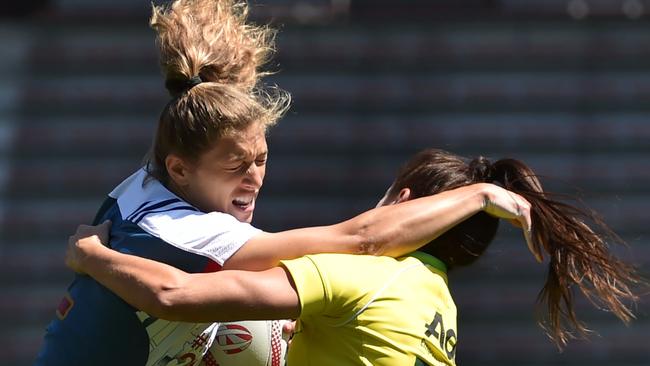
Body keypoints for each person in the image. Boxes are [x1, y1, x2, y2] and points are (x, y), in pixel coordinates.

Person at [34, 1, 536, 365]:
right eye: (236, 165)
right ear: (182, 169)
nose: (253, 177)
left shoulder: (143, 183)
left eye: (261, 159)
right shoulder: (197, 235)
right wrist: (477, 194)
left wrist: (92, 254)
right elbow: (360, 240)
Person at [65, 149, 643, 366]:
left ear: (403, 202)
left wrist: (92, 255)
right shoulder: (438, 307)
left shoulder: (363, 274)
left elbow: (174, 296)